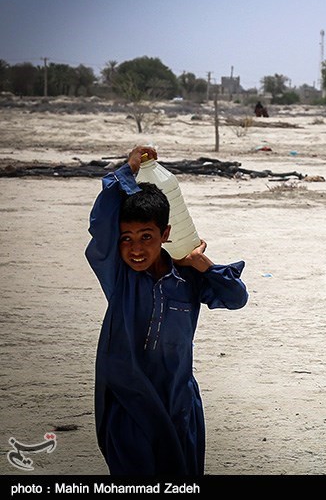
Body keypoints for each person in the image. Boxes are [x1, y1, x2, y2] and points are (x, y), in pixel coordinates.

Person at [85, 145, 249, 475]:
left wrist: (200, 261)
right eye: (126, 238)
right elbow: (101, 224)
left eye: (146, 236)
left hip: (178, 401)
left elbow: (235, 297)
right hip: (128, 400)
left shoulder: (187, 277)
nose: (135, 248)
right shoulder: (119, 277)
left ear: (166, 234)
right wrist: (127, 173)